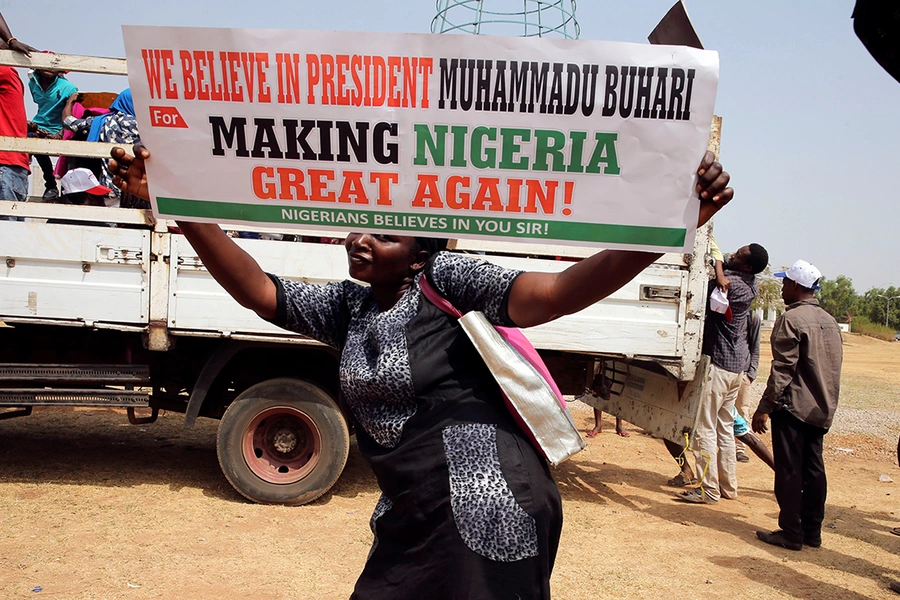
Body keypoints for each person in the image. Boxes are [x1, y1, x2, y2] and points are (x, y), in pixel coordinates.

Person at [109, 143, 734, 599]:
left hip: (488, 503)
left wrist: (668, 228)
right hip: (413, 510)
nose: (362, 239)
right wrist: (175, 205)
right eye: (359, 227)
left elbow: (561, 291)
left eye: (384, 234)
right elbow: (256, 290)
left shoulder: (449, 281)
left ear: (419, 252)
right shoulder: (346, 306)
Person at [752, 260, 842, 551]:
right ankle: (812, 532)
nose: (781, 288)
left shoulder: (791, 319)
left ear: (795, 286)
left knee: (790, 471)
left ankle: (791, 532)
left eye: (784, 283)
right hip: (820, 408)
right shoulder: (829, 320)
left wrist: (765, 407)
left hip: (793, 406)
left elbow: (783, 369)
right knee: (814, 470)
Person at [678, 242, 769, 504]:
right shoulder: (749, 284)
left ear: (747, 265)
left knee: (705, 429)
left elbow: (704, 290)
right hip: (735, 367)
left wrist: (717, 261)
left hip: (719, 365)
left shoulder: (733, 286)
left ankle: (708, 490)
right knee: (724, 429)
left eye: (738, 255)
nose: (732, 255)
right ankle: (728, 487)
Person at [62, 89, 146, 208]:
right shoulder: (147, 126)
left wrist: (70, 101)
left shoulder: (103, 122)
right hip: (138, 192)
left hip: (110, 189)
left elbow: (69, 122)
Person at [0, 12, 36, 220]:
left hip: (5, 166)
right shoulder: (10, 74)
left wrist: (10, 40)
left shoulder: (4, 72)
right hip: (13, 167)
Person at [27, 67, 78, 200]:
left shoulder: (69, 88)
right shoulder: (32, 83)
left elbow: (71, 114)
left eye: (53, 66)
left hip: (61, 127)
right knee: (29, 140)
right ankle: (50, 185)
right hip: (39, 124)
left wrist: (62, 131)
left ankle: (67, 190)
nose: (49, 69)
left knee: (71, 150)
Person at [735, 311, 761, 462]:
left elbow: (755, 347)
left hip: (743, 373)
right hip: (722, 371)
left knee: (742, 410)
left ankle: (739, 448)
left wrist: (751, 373)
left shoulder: (753, 318)